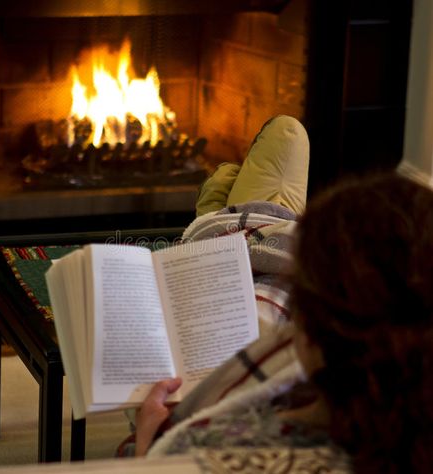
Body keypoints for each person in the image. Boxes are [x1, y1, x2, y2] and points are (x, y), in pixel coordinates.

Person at [133, 172, 433, 473]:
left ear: (309, 330)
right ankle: (248, 215)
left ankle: (230, 217)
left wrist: (148, 452)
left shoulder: (202, 449)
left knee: (253, 263)